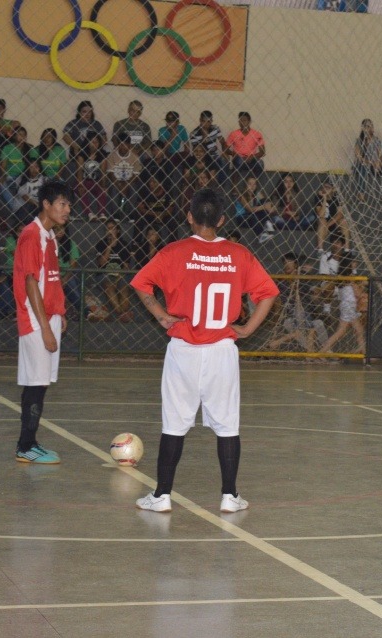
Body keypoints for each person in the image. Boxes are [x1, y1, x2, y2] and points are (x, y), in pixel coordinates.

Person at [130, 187, 279, 514]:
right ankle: (229, 496)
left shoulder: (173, 252)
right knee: (227, 425)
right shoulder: (239, 254)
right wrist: (249, 328)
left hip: (183, 348)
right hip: (222, 350)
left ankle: (161, 496)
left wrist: (161, 316)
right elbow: (268, 292)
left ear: (189, 217)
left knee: (174, 423)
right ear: (222, 219)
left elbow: (141, 283)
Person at [11, 180, 73, 464]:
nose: (67, 210)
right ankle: (26, 445)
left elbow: (50, 280)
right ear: (46, 205)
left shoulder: (50, 236)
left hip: (48, 318)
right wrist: (45, 327)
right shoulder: (31, 235)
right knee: (36, 384)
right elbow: (30, 283)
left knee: (41, 383)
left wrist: (59, 312)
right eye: (62, 204)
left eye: (69, 204)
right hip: (36, 321)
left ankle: (30, 442)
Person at [267, 253, 328, 352]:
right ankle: (312, 353)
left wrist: (318, 290)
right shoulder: (281, 280)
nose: (287, 265)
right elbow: (282, 298)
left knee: (315, 325)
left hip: (305, 311)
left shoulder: (303, 277)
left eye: (289, 262)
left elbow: (312, 291)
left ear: (295, 264)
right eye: (285, 263)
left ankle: (320, 352)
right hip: (292, 312)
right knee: (295, 325)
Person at [319, 260, 365, 355]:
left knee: (356, 330)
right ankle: (321, 352)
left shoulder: (343, 278)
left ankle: (363, 352)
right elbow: (358, 294)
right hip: (349, 307)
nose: (355, 263)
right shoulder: (349, 279)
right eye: (353, 262)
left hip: (347, 306)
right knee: (345, 331)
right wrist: (359, 287)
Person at [95, 219, 133, 322]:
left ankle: (123, 313)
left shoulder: (124, 244)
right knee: (109, 285)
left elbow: (126, 266)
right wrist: (110, 246)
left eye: (112, 228)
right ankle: (122, 313)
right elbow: (102, 263)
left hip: (121, 274)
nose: (110, 231)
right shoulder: (101, 244)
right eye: (108, 228)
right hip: (104, 274)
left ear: (118, 230)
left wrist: (118, 278)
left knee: (124, 287)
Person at [224, 111, 265, 181]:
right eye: (240, 120)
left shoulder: (256, 134)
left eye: (244, 120)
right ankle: (234, 188)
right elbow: (225, 149)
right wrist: (234, 154)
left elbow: (262, 151)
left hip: (251, 159)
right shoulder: (233, 134)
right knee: (238, 161)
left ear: (249, 122)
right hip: (238, 159)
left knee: (260, 163)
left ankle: (253, 183)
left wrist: (252, 157)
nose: (242, 122)